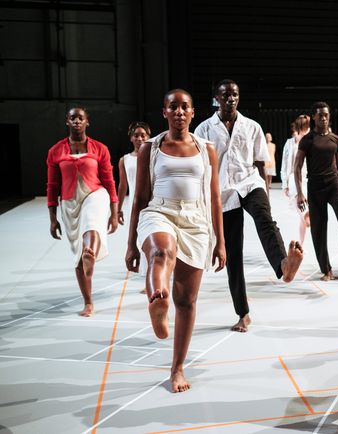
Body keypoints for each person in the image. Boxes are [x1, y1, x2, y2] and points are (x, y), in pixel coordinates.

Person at [125, 89, 226, 393]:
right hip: (160, 211)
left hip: (196, 222)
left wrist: (220, 241)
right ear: (165, 112)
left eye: (185, 107)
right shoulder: (150, 148)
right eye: (174, 107)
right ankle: (158, 300)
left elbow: (215, 197)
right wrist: (131, 243)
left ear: (193, 113)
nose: (179, 112)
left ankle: (177, 369)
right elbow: (140, 197)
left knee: (187, 301)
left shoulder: (206, 148)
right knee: (161, 251)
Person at [194, 79, 303, 333]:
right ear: (216, 99)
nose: (230, 99)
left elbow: (260, 163)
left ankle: (283, 265)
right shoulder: (203, 130)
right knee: (233, 255)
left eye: (234, 94)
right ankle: (243, 313)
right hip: (222, 191)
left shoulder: (251, 126)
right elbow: (200, 169)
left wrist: (265, 191)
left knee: (265, 220)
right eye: (225, 95)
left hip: (249, 182)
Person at [47, 107, 119, 317]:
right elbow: (52, 185)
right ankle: (88, 302)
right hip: (69, 203)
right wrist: (53, 219)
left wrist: (114, 212)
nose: (77, 121)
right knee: (77, 259)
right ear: (67, 122)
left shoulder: (99, 149)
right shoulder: (55, 151)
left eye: (81, 118)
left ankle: (90, 252)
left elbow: (109, 181)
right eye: (72, 118)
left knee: (92, 223)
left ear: (87, 122)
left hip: (95, 193)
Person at [294, 102, 338, 281]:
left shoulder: (335, 139)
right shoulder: (307, 140)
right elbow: (297, 166)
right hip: (315, 186)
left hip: (334, 183)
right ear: (314, 117)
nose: (323, 118)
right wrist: (300, 192)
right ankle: (326, 269)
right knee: (319, 228)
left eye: (326, 115)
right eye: (320, 115)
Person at [118, 122, 151, 290]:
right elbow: (123, 186)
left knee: (148, 237)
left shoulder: (153, 155)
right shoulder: (125, 160)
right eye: (136, 135)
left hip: (150, 201)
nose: (139, 138)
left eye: (143, 135)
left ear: (148, 137)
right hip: (133, 203)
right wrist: (118, 209)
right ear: (131, 138)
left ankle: (150, 277)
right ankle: (148, 274)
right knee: (138, 239)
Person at [281, 115, 311, 245]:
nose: (309, 129)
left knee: (301, 217)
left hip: (308, 178)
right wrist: (284, 184)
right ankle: (309, 217)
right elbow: (284, 164)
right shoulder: (290, 143)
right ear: (300, 127)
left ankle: (301, 245)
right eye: (306, 126)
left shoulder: (311, 141)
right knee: (303, 210)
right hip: (294, 179)